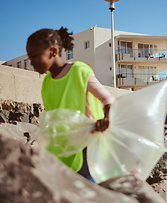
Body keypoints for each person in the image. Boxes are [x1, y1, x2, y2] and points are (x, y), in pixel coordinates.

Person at [26, 27, 115, 182]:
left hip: (87, 147)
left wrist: (106, 118)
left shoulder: (79, 71)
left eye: (34, 56)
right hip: (62, 150)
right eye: (29, 58)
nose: (31, 62)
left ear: (53, 52)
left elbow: (108, 99)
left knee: (87, 192)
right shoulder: (47, 82)